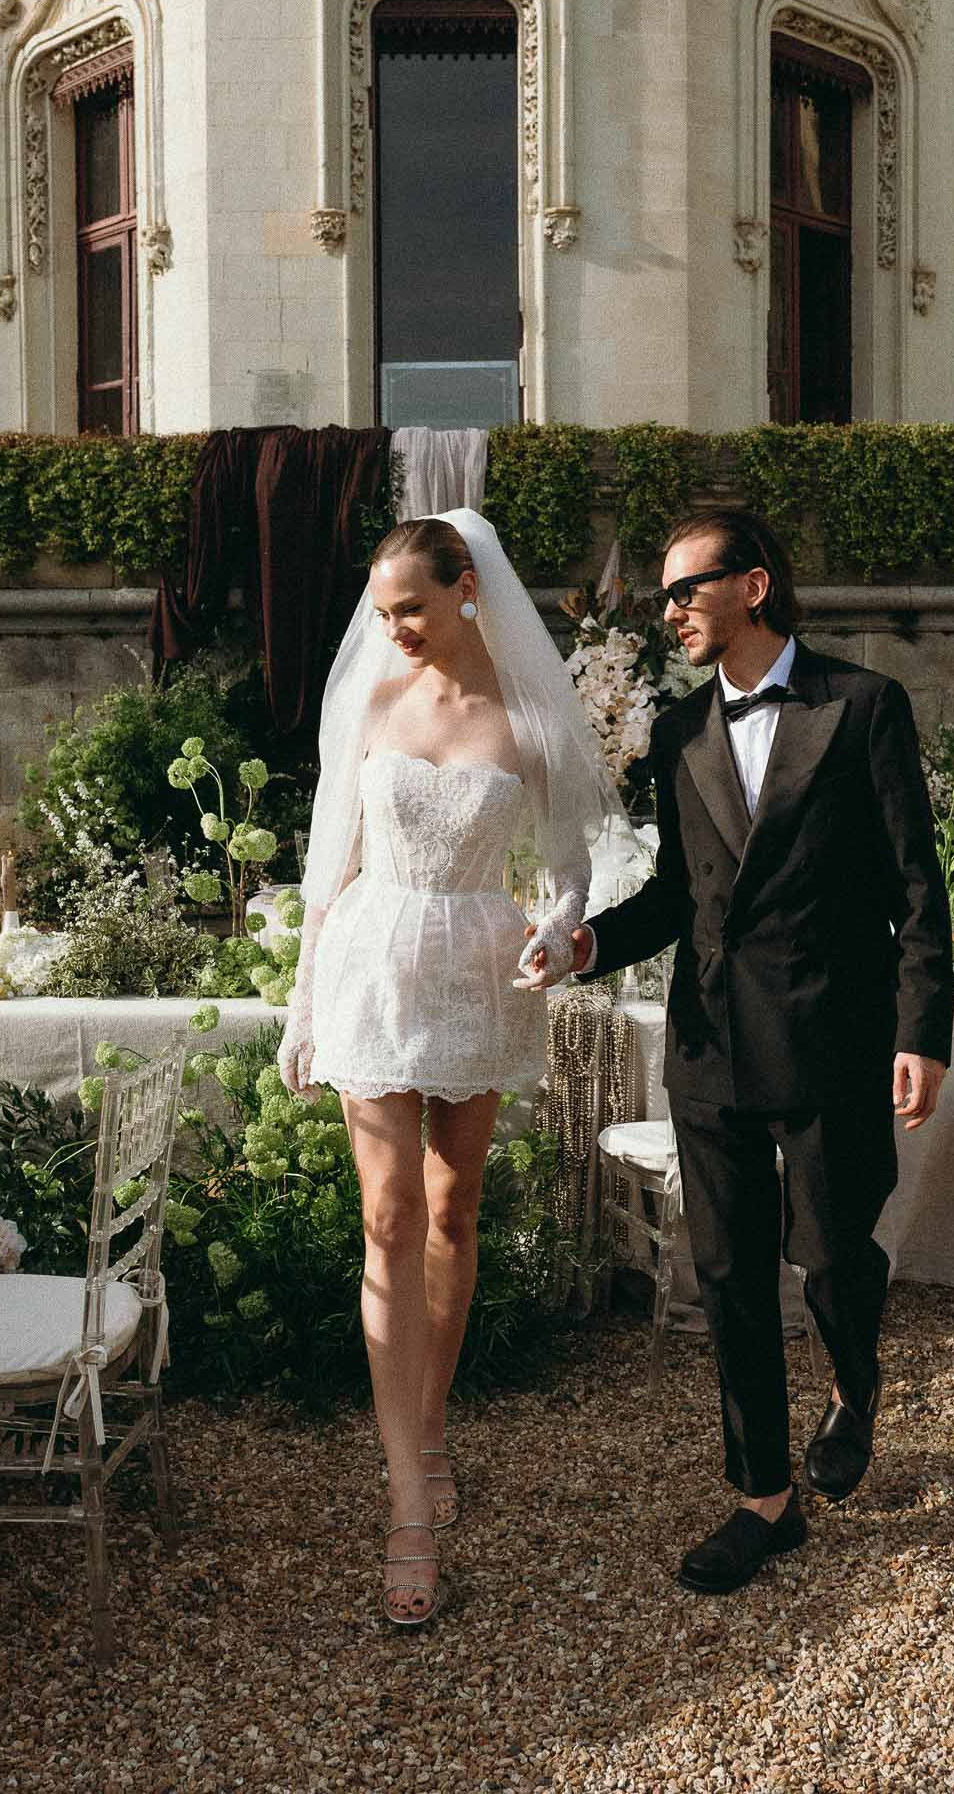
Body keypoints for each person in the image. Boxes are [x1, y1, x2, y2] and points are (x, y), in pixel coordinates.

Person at [567, 508, 954, 1595]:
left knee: (831, 1252)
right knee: (730, 1273)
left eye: (685, 589)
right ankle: (763, 1500)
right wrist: (590, 940)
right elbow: (677, 895)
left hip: (833, 1033)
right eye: (663, 596)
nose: (670, 611)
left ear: (754, 585)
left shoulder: (864, 705)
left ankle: (855, 1377)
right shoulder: (677, 733)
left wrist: (922, 1030)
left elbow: (918, 889)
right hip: (707, 1043)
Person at [278, 510, 633, 1628]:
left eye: (413, 608)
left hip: (479, 970)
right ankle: (405, 1506)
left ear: (465, 587)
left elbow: (578, 863)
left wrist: (559, 926)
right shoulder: (372, 699)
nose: (397, 630)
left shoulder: (530, 715)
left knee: (452, 1211)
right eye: (384, 615)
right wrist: (299, 1002)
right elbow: (326, 859)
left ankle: (430, 1426)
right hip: (372, 964)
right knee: (385, 1218)